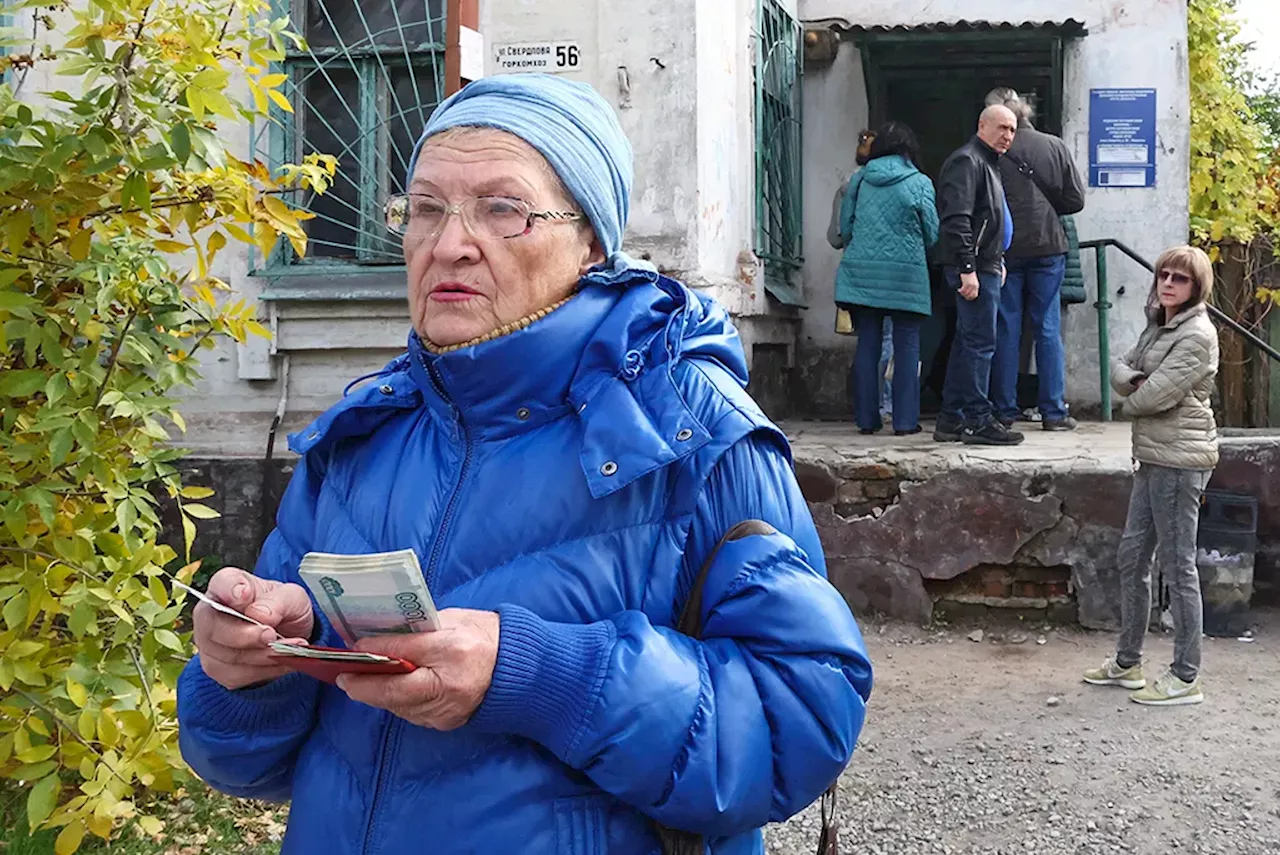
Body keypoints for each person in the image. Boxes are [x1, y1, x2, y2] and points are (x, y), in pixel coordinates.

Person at [176, 73, 873, 854]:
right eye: (426, 209)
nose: (448, 243)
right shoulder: (362, 439)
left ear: (591, 243)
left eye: (503, 209)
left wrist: (540, 675)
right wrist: (248, 667)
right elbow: (243, 761)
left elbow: (802, 718)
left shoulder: (691, 431)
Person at [1083, 246, 1219, 707]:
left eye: (1179, 278)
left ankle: (1186, 676)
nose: (1167, 283)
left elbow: (1150, 397)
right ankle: (1128, 662)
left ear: (1196, 286)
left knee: (1178, 569)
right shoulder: (1159, 326)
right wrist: (1138, 382)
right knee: (1131, 557)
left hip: (1181, 462)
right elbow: (1119, 368)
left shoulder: (1197, 334)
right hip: (1153, 457)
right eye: (1164, 274)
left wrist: (1137, 388)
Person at [984, 88, 1086, 432]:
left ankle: (1004, 409)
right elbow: (1074, 200)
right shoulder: (1054, 146)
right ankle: (1054, 412)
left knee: (1007, 327)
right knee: (1047, 327)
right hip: (1048, 246)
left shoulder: (993, 151)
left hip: (1007, 248)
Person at [834, 121, 939, 436]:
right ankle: (906, 422)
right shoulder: (920, 182)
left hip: (862, 275)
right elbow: (932, 233)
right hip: (907, 276)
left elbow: (846, 227)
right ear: (909, 149)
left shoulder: (860, 180)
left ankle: (867, 420)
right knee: (907, 346)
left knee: (868, 344)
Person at [933, 104, 1024, 446]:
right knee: (980, 344)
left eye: (1012, 130)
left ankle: (951, 419)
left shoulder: (987, 163)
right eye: (1001, 127)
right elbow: (957, 219)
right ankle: (977, 419)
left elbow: (986, 220)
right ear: (981, 125)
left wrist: (994, 258)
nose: (1007, 136)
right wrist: (968, 268)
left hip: (984, 265)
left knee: (968, 343)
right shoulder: (968, 161)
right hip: (971, 269)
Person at [828, 129, 895, 423]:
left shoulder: (848, 185)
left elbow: (835, 237)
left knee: (868, 341)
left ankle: (866, 410)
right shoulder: (905, 182)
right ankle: (887, 405)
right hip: (894, 274)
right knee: (892, 341)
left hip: (858, 274)